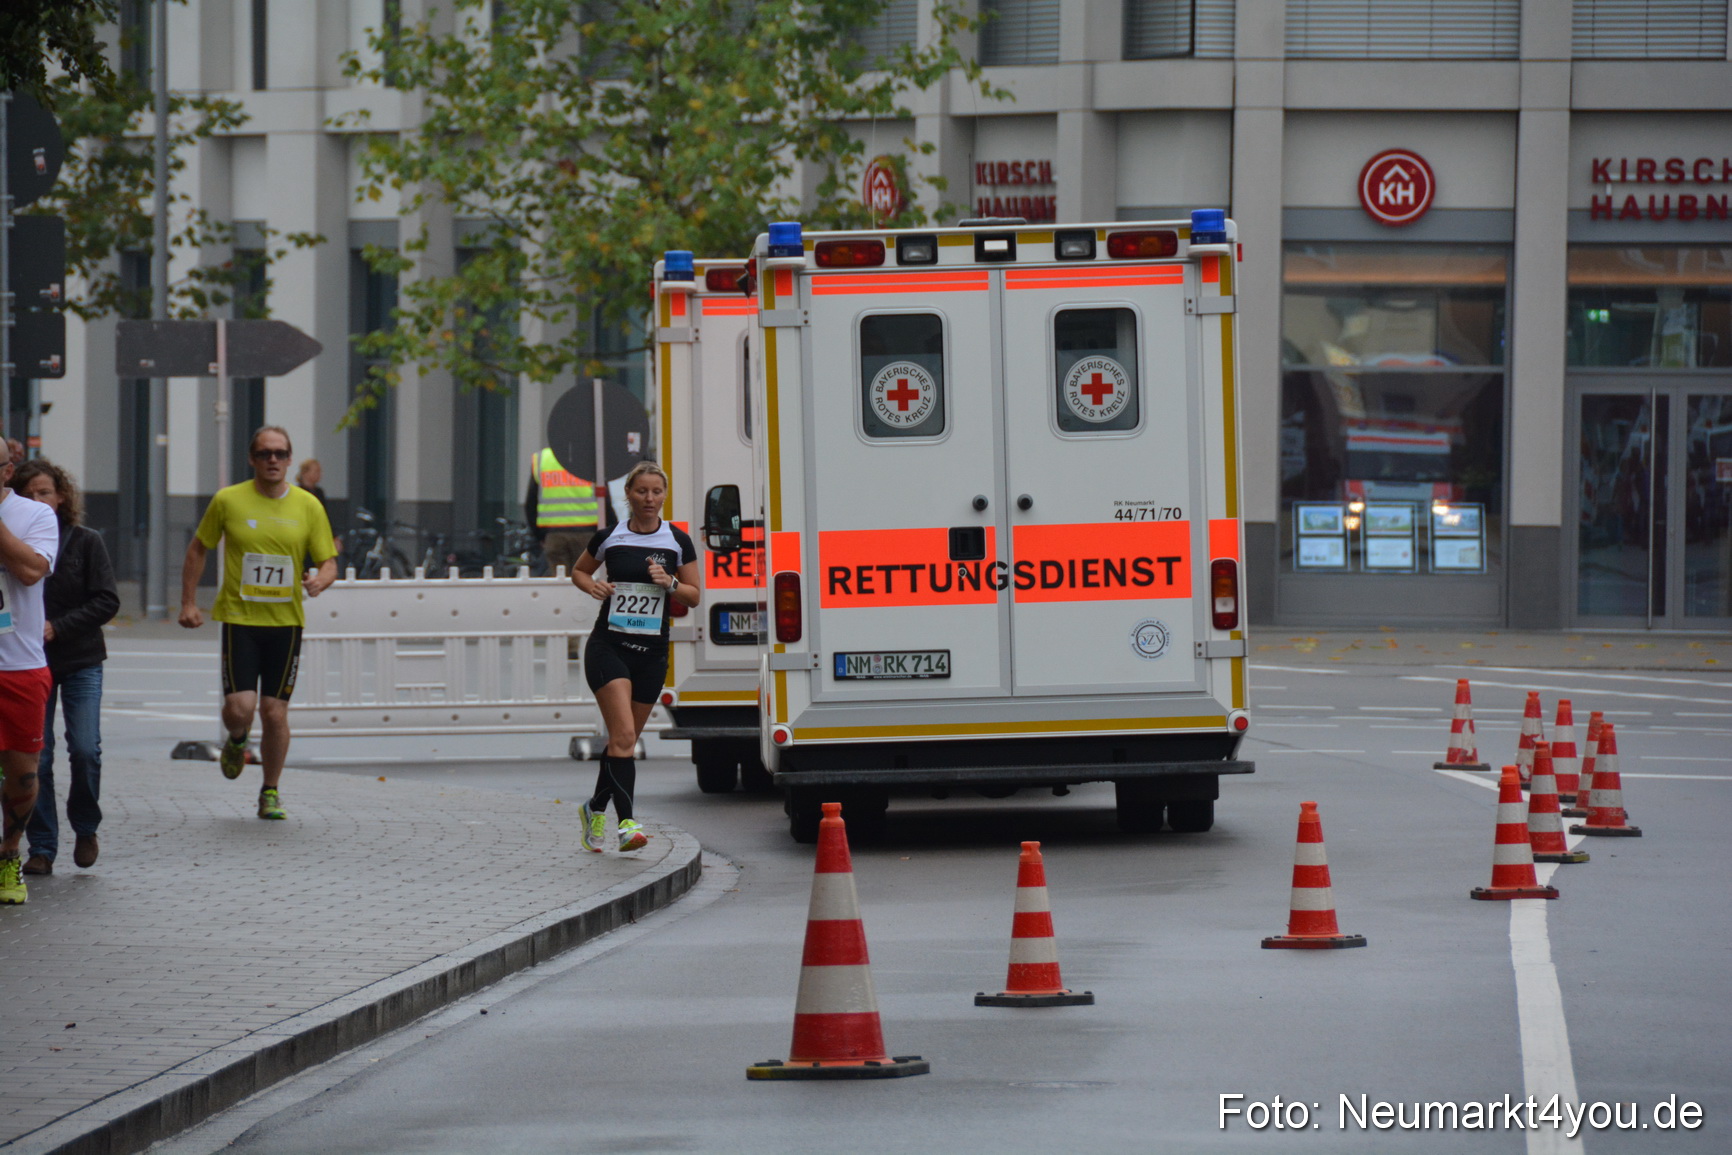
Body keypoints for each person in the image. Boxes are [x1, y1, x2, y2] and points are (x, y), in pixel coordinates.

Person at [179, 426, 337, 820]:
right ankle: (236, 739)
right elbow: (199, 547)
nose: (272, 460)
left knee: (274, 712)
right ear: (252, 459)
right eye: (264, 453)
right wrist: (188, 602)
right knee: (240, 707)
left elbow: (328, 560)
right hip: (240, 618)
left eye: (280, 454)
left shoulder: (308, 505)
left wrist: (321, 579)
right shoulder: (229, 500)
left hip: (285, 623)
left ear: (288, 459)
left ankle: (270, 790)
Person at [570, 461, 698, 853]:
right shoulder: (610, 537)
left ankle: (594, 809)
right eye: (641, 491)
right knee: (623, 736)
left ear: (664, 496)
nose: (649, 499)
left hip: (652, 653)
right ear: (628, 494)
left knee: (622, 744)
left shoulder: (677, 541)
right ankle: (627, 825)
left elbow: (693, 596)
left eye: (656, 492)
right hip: (609, 647)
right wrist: (593, 586)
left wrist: (671, 582)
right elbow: (579, 571)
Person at [11, 461, 119, 876]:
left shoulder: (85, 542)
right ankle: (42, 846)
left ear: (61, 498)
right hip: (30, 661)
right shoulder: (15, 543)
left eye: (45, 493)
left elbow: (107, 600)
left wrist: (59, 626)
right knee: (38, 757)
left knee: (85, 748)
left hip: (81, 659)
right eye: (29, 494)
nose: (38, 501)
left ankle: (86, 826)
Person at [0, 452, 59, 904]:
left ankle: (8, 854)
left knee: (22, 776)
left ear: (6, 472)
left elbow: (30, 570)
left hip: (18, 665)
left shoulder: (35, 514)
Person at [525, 446, 601, 575]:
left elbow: (530, 503)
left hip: (555, 535)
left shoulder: (542, 459)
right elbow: (605, 501)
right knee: (585, 582)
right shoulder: (591, 457)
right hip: (587, 534)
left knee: (559, 584)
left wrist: (540, 535)